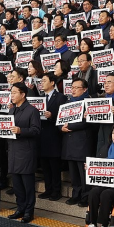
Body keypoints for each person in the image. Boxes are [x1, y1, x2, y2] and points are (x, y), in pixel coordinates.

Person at [61, 79, 99, 207]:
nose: (73, 90)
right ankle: (75, 195)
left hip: (83, 143)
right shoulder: (68, 102)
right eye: (72, 87)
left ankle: (85, 196)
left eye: (77, 87)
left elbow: (87, 121)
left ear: (85, 89)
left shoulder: (89, 102)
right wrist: (60, 127)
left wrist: (70, 125)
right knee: (73, 173)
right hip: (69, 143)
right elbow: (59, 119)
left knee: (83, 174)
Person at [7, 82, 41, 224]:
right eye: (11, 92)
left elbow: (36, 130)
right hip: (13, 151)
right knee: (17, 185)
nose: (12, 95)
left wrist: (21, 131)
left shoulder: (32, 110)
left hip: (26, 152)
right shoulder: (12, 110)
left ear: (23, 94)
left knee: (27, 185)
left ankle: (28, 211)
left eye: (15, 92)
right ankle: (20, 208)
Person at [38, 73, 67, 201]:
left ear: (52, 83)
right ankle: (48, 189)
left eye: (44, 80)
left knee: (54, 167)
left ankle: (56, 191)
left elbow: (64, 117)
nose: (41, 83)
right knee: (45, 166)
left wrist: (52, 116)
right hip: (42, 137)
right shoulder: (40, 98)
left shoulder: (60, 97)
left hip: (54, 137)